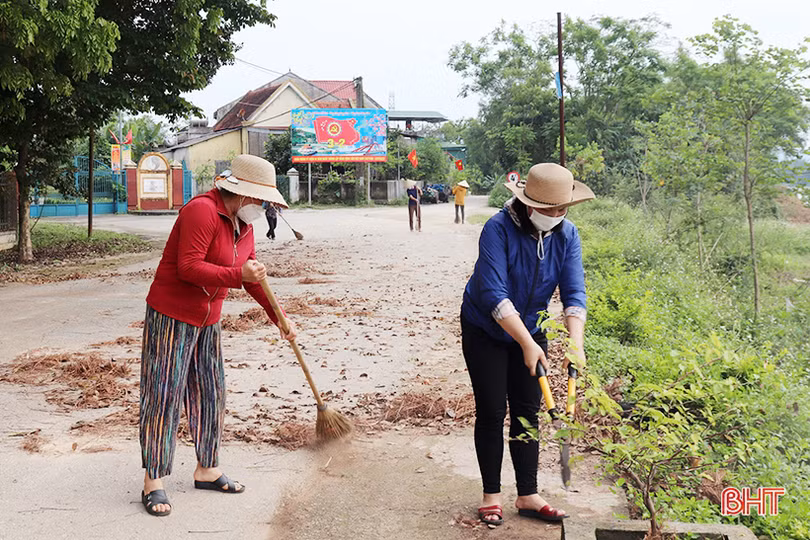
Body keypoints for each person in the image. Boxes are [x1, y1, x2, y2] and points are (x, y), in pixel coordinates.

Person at [139, 154, 296, 517]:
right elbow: (189, 268)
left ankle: (207, 468)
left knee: (212, 390)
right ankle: (154, 480)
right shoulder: (201, 212)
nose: (263, 207)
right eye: (260, 200)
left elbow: (253, 276)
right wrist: (238, 276)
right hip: (172, 315)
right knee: (164, 394)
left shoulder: (245, 226)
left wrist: (280, 318)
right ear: (241, 194)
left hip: (208, 319)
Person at [460, 163, 594, 526]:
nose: (556, 216)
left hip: (532, 326)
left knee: (527, 412)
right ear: (529, 203)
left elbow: (574, 292)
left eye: (561, 210)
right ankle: (491, 495)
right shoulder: (497, 230)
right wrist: (525, 343)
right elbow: (493, 294)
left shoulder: (567, 235)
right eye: (549, 210)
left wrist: (575, 344)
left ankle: (527, 494)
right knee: (491, 410)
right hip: (485, 327)